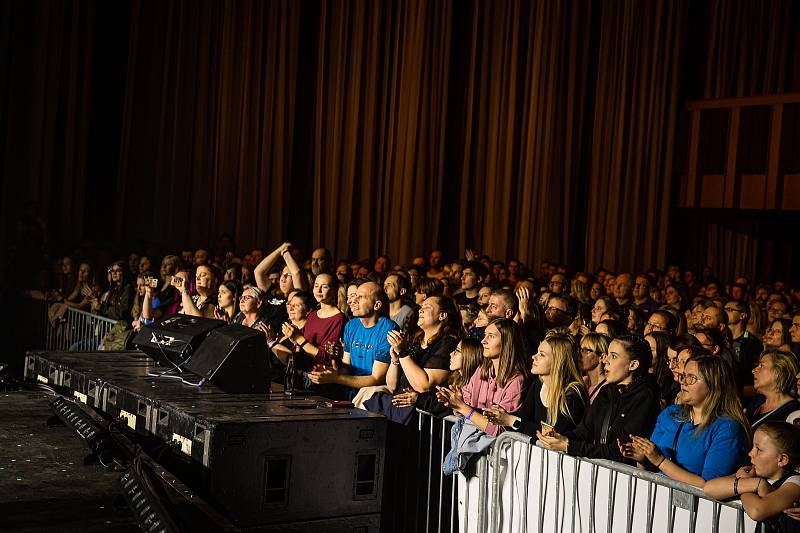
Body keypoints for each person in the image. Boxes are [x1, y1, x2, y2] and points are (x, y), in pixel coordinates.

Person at [623, 355, 750, 487]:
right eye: (683, 376)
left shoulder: (727, 428)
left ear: (713, 384)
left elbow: (710, 486)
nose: (682, 381)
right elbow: (652, 469)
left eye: (691, 378)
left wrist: (660, 461)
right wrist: (643, 459)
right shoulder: (670, 414)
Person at [536, 334, 661, 463]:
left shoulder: (646, 397)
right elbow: (584, 431)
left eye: (613, 356)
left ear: (633, 364)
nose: (605, 360)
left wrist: (569, 446)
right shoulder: (607, 391)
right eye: (607, 354)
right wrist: (558, 437)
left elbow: (622, 450)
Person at [364, 296, 462, 424]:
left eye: (427, 307)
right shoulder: (415, 342)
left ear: (442, 315)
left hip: (423, 422)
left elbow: (423, 386)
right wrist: (395, 360)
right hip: (400, 414)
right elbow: (392, 385)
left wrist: (403, 353)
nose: (421, 310)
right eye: (421, 307)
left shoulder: (447, 344)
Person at [436, 319, 530, 436]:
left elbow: (499, 429)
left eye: (491, 336)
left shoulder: (517, 380)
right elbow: (464, 411)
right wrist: (455, 402)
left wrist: (462, 407)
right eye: (485, 335)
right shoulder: (482, 370)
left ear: (507, 342)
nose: (483, 341)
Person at [484, 334, 587, 437]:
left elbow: (554, 437)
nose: (534, 357)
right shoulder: (538, 384)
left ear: (558, 361)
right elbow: (524, 420)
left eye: (541, 354)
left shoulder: (573, 393)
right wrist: (504, 416)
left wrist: (511, 420)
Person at [308, 282, 398, 399]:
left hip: (372, 393)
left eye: (360, 297)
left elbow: (377, 378)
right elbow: (346, 368)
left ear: (377, 305)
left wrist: (337, 378)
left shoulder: (388, 329)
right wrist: (332, 372)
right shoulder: (351, 325)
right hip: (349, 387)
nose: (353, 301)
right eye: (354, 296)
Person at [705, 422, 800, 531]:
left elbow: (757, 511)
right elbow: (709, 488)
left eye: (758, 449)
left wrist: (746, 483)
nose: (750, 453)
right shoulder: (754, 474)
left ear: (782, 460)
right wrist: (755, 484)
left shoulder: (795, 483)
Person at [393, 338, 484, 417]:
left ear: (469, 356)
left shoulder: (478, 385)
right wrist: (417, 396)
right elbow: (437, 397)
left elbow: (444, 407)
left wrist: (418, 399)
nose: (451, 354)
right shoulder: (453, 379)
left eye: (457, 351)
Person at [282, 274, 347, 371]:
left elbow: (327, 358)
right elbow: (303, 347)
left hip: (321, 375)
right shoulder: (313, 315)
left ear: (333, 291)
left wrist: (299, 339)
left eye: (324, 287)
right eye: (316, 285)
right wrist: (295, 341)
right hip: (304, 372)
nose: (318, 290)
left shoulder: (338, 319)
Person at [746, 349, 800, 431]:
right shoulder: (758, 400)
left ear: (780, 371)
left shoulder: (791, 412)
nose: (753, 370)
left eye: (762, 365)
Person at [580, 333, 610, 404]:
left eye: (586, 350)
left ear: (602, 357)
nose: (580, 354)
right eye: (581, 350)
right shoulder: (582, 381)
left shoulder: (607, 388)